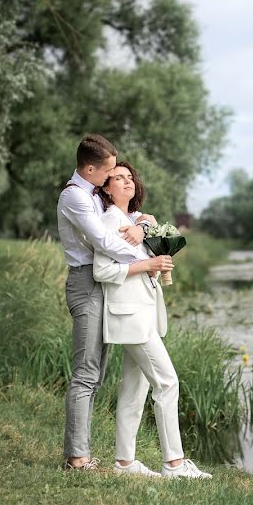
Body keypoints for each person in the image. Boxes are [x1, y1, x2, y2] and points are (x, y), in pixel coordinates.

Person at [56, 134, 172, 471]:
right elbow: (105, 241)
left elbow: (120, 220)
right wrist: (144, 249)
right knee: (87, 374)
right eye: (108, 173)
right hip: (86, 282)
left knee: (97, 373)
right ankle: (78, 458)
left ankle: (97, 455)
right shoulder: (74, 197)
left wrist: (141, 222)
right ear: (91, 169)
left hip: (100, 284)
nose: (112, 178)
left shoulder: (92, 194)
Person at [94, 161, 212, 479]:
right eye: (118, 178)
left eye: (129, 177)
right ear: (106, 187)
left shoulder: (135, 220)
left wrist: (150, 232)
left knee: (135, 388)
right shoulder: (109, 221)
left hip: (143, 314)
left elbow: (169, 243)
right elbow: (102, 271)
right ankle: (174, 463)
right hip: (130, 316)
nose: (126, 181)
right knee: (167, 382)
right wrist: (148, 265)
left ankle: (124, 463)